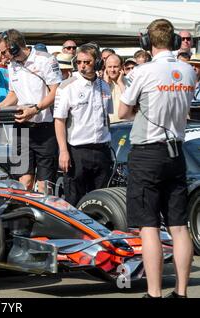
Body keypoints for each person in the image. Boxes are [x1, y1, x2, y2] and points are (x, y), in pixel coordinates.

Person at [119, 19, 196, 298]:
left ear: (147, 43)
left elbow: (123, 111)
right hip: (176, 151)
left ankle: (154, 293)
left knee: (148, 226)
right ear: (175, 42)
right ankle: (182, 292)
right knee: (178, 225)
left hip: (147, 153)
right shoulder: (188, 71)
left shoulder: (143, 71)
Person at [0, 29, 62, 192]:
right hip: (21, 129)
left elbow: (56, 92)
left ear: (14, 47)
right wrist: (0, 107)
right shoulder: (12, 66)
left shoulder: (46, 60)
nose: (2, 57)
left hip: (44, 128)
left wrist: (35, 109)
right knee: (24, 182)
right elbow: (13, 93)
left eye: (4, 52)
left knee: (45, 186)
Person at [54, 43, 113, 206]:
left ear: (97, 62)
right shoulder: (67, 86)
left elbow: (106, 117)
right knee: (74, 200)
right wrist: (63, 151)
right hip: (77, 151)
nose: (82, 66)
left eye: (87, 62)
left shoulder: (105, 86)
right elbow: (59, 120)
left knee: (101, 200)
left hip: (101, 149)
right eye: (79, 62)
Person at [103, 54, 126, 123]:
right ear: (105, 68)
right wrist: (106, 84)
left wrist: (120, 83)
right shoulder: (99, 84)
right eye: (109, 67)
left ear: (121, 67)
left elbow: (129, 102)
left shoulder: (130, 82)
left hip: (126, 125)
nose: (112, 70)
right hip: (107, 127)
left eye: (115, 67)